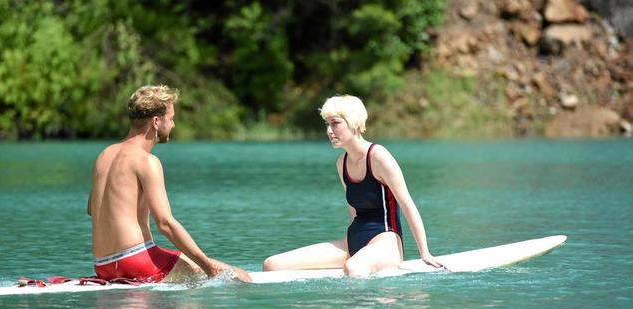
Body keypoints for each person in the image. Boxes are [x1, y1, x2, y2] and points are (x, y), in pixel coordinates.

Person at [263, 95, 443, 276]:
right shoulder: (341, 163)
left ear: (353, 122)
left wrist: (424, 253)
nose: (329, 131)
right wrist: (356, 251)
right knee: (272, 264)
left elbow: (407, 205)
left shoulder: (379, 156)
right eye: (327, 124)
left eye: (335, 123)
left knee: (353, 268)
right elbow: (354, 212)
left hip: (386, 243)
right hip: (353, 241)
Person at [88, 85, 251, 283]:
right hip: (136, 261)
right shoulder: (147, 161)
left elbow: (92, 209)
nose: (173, 125)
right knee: (238, 277)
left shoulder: (104, 155)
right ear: (156, 121)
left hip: (103, 266)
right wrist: (208, 266)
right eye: (171, 119)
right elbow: (165, 224)